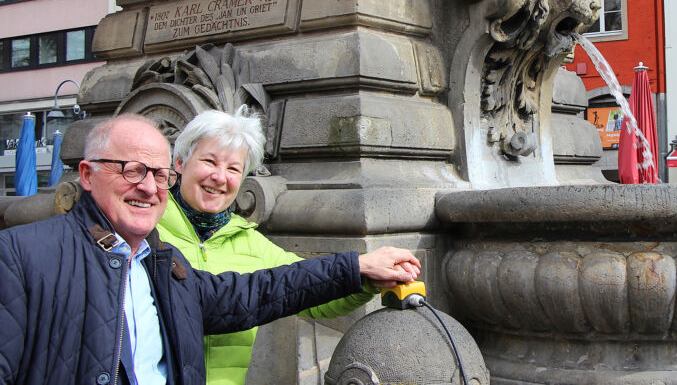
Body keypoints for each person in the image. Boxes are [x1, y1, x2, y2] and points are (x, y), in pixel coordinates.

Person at [0, 114, 420, 385]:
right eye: (132, 170)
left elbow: (272, 289)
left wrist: (361, 271)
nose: (147, 187)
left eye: (234, 168)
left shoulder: (160, 260)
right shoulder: (28, 252)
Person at [158, 106, 412, 385]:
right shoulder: (146, 231)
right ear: (180, 163)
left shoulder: (250, 243)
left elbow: (313, 294)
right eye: (209, 161)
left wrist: (366, 278)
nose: (220, 177)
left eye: (233, 168)